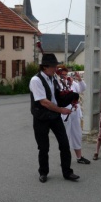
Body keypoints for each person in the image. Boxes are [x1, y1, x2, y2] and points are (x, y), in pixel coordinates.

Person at [29, 53, 80, 182]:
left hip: (54, 116)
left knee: (64, 143)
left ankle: (67, 172)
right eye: (53, 66)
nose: (55, 69)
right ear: (45, 67)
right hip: (41, 117)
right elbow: (44, 102)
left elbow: (57, 97)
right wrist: (61, 110)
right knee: (43, 147)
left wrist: (71, 96)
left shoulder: (53, 78)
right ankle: (43, 172)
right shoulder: (36, 80)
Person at [56, 66, 90, 164]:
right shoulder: (57, 84)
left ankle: (79, 157)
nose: (64, 76)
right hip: (64, 112)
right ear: (58, 74)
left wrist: (79, 79)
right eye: (62, 74)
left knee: (77, 134)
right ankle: (64, 159)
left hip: (74, 111)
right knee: (65, 136)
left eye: (66, 73)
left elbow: (82, 89)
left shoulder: (72, 82)